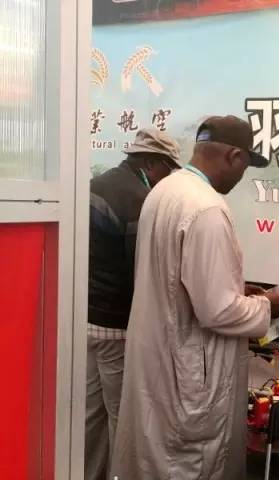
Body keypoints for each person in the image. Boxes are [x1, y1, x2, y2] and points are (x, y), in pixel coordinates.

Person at [110, 115, 279, 480]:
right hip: (189, 372)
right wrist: (267, 305)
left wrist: (233, 289)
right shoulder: (207, 209)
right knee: (189, 464)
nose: (241, 177)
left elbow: (176, 278)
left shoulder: (164, 191)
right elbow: (218, 311)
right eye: (245, 166)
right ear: (234, 156)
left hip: (160, 357)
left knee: (154, 459)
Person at [85, 127, 181, 480]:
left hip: (84, 320)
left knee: (90, 415)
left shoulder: (96, 184)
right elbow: (141, 273)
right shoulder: (140, 201)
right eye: (169, 169)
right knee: (121, 418)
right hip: (115, 326)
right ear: (152, 163)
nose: (168, 178)